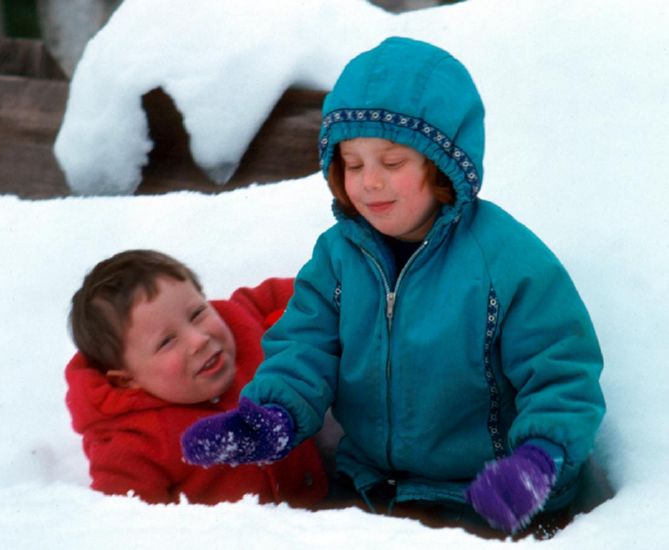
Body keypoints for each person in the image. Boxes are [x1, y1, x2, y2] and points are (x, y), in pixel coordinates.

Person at [181, 37, 605, 534]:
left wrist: (537, 462)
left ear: (444, 162)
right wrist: (272, 415)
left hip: (488, 501)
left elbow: (560, 371)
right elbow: (305, 346)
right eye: (353, 164)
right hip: (370, 490)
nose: (369, 183)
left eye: (393, 162)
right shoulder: (338, 257)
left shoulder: (507, 262)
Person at [65, 249, 327, 506]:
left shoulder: (242, 322)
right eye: (167, 341)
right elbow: (123, 525)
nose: (199, 339)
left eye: (197, 314)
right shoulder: (133, 445)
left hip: (331, 503)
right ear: (127, 380)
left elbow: (311, 295)